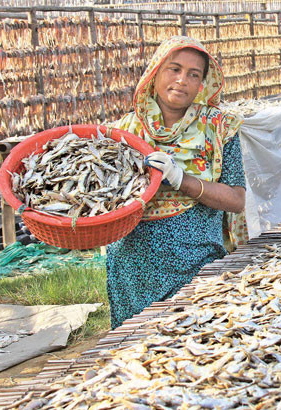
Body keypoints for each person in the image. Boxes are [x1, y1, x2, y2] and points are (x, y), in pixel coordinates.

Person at [106, 36, 247, 329]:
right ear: (155, 73)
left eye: (194, 74)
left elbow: (236, 200)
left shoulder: (219, 128)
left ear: (202, 85)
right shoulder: (124, 132)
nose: (182, 80)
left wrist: (182, 180)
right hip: (133, 269)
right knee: (136, 349)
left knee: (196, 341)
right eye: (174, 69)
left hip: (196, 261)